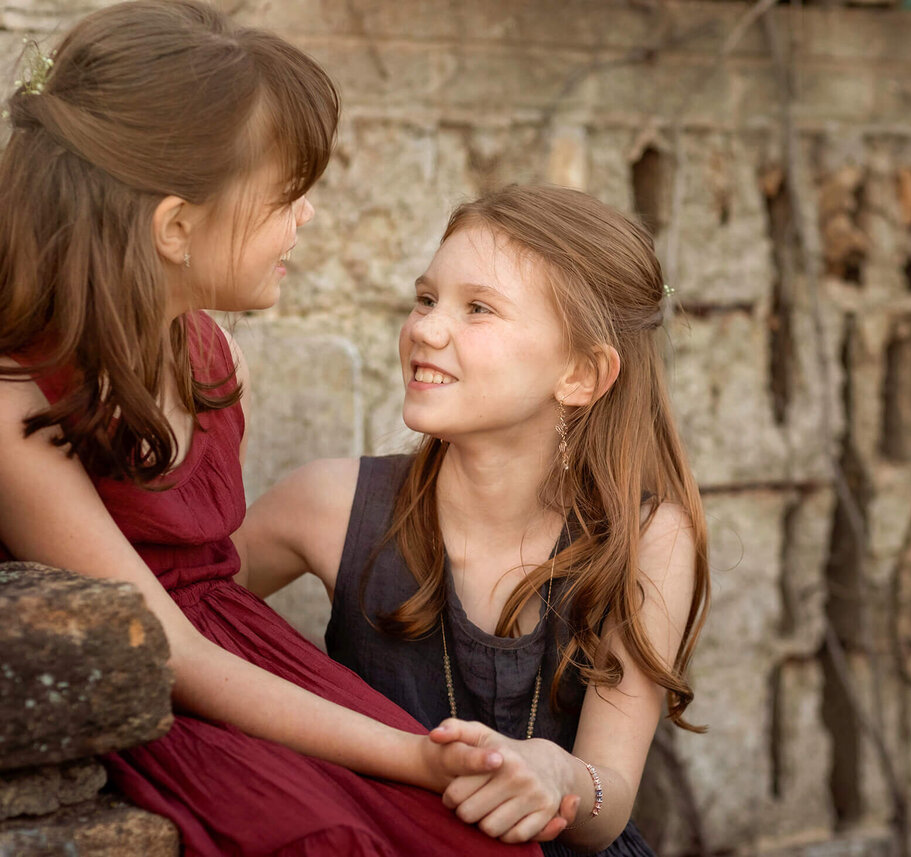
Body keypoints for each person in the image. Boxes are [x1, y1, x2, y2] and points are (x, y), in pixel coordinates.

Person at [0, 3, 567, 854]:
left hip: (252, 664)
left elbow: (212, 581)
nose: (305, 220)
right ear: (176, 227)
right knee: (336, 837)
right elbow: (172, 649)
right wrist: (412, 753)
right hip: (170, 696)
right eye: (285, 198)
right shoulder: (18, 402)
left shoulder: (210, 360)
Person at [237, 183, 712, 855]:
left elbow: (609, 799)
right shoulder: (328, 504)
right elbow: (183, 611)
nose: (426, 328)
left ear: (580, 374)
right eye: (425, 298)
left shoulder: (648, 538)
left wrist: (559, 775)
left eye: (478, 308)